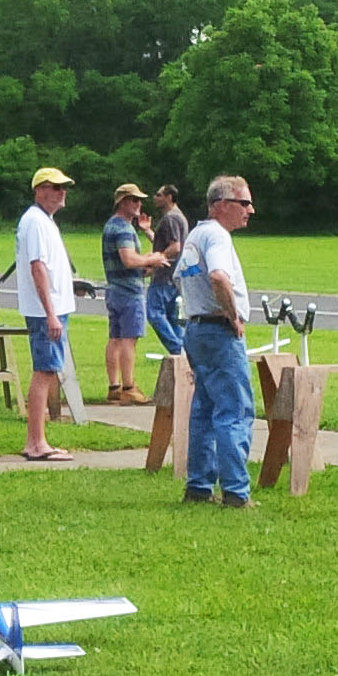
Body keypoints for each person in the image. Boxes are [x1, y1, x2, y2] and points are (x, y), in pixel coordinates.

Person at [174, 176, 258, 506]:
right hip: (218, 331)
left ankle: (199, 486)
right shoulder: (218, 236)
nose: (250, 210)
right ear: (222, 204)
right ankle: (236, 491)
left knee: (205, 410)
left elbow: (180, 279)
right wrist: (232, 315)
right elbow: (219, 276)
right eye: (244, 203)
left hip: (196, 328)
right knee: (234, 411)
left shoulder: (195, 236)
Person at [14, 166, 82, 459]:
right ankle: (35, 442)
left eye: (63, 187)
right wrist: (50, 313)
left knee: (48, 369)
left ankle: (38, 440)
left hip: (51, 308)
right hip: (46, 312)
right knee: (44, 371)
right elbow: (37, 267)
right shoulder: (36, 222)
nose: (62, 192)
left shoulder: (44, 221)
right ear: (39, 190)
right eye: (55, 187)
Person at [98, 184, 162, 403]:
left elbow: (125, 263)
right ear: (122, 202)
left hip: (115, 288)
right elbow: (129, 259)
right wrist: (151, 259)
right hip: (129, 292)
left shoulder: (110, 225)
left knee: (115, 338)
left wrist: (146, 266)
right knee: (129, 340)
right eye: (134, 200)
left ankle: (114, 386)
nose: (139, 204)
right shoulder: (124, 228)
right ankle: (129, 387)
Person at [146, 182, 190, 355]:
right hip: (176, 275)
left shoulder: (170, 218)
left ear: (169, 197)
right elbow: (167, 244)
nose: (155, 198)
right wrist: (148, 231)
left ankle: (177, 349)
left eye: (159, 195)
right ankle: (184, 352)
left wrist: (156, 260)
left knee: (154, 313)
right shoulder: (179, 217)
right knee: (173, 318)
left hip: (165, 275)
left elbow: (175, 247)